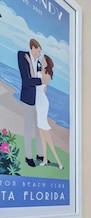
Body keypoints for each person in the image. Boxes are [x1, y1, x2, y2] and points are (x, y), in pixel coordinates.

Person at [25, 53, 63, 170]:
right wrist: (30, 63)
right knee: (41, 133)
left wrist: (31, 64)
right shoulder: (42, 71)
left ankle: (58, 161)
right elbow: (34, 77)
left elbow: (36, 80)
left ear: (47, 62)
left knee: (45, 133)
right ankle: (45, 158)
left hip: (42, 102)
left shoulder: (46, 74)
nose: (41, 59)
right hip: (39, 101)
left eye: (43, 59)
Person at [17, 39, 44, 167]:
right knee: (28, 128)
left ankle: (40, 154)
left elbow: (38, 79)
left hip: (38, 100)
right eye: (38, 51)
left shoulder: (38, 63)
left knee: (39, 129)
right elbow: (26, 80)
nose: (39, 53)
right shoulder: (22, 56)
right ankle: (28, 157)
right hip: (29, 100)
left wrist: (41, 81)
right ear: (32, 48)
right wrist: (41, 81)